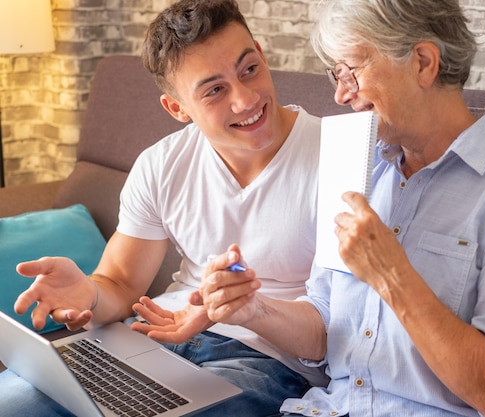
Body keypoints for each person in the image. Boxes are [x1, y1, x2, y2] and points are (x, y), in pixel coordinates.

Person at [193, 0, 485, 416]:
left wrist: (391, 275)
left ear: (423, 63)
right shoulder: (358, 166)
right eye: (335, 75)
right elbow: (326, 330)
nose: (341, 94)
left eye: (351, 71)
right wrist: (253, 310)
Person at [0, 0, 328, 415]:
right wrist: (88, 292)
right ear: (177, 109)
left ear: (262, 56)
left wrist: (248, 310)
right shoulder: (161, 164)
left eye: (249, 70)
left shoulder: (338, 157)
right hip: (155, 335)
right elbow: (119, 282)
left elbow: (351, 329)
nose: (245, 100)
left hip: (267, 359)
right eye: (214, 90)